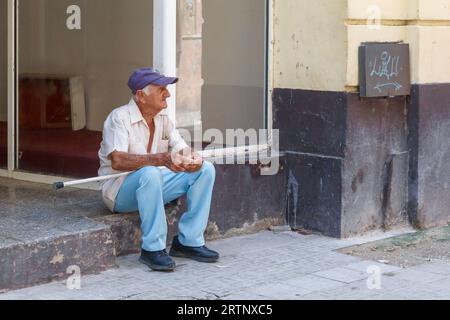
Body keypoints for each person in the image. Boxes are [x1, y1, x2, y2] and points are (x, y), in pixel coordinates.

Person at [98, 67, 219, 272]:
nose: (168, 94)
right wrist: (160, 159)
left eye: (166, 89)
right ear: (140, 95)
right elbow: (117, 160)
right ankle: (152, 249)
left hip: (152, 183)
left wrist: (191, 157)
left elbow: (180, 146)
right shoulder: (119, 117)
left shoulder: (163, 119)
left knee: (206, 170)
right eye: (161, 89)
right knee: (150, 172)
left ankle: (189, 241)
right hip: (119, 191)